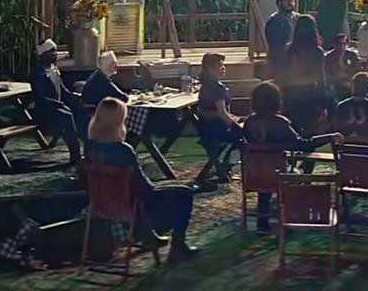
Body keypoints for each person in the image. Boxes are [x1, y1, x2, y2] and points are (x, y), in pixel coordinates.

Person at [85, 98, 199, 262]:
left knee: (151, 193)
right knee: (184, 194)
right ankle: (177, 247)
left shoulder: (89, 147)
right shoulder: (123, 150)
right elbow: (145, 189)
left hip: (99, 205)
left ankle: (150, 237)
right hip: (131, 210)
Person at [241, 81, 342, 231]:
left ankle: (262, 221)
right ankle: (292, 214)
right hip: (278, 173)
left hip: (254, 173)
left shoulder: (249, 122)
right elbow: (303, 144)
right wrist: (329, 137)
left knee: (265, 170)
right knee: (294, 171)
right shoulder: (280, 123)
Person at [29, 39, 82, 167]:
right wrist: (59, 105)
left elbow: (62, 90)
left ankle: (83, 150)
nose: (55, 53)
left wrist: (76, 97)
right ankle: (75, 154)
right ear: (43, 54)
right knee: (66, 116)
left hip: (56, 106)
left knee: (79, 110)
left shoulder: (54, 69)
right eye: (51, 51)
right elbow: (41, 97)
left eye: (56, 51)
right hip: (44, 109)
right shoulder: (38, 73)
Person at [280, 14, 330, 137]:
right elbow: (321, 78)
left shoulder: (290, 50)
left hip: (291, 92)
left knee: (293, 131)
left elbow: (284, 75)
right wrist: (323, 104)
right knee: (309, 132)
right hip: (310, 93)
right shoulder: (317, 51)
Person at [196, 53, 241, 181]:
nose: (223, 68)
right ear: (210, 69)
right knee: (244, 138)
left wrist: (233, 118)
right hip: (217, 129)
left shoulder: (205, 86)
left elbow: (207, 111)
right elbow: (222, 113)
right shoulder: (217, 88)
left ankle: (223, 166)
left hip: (206, 128)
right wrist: (237, 126)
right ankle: (227, 166)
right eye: (220, 66)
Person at [78, 51, 129, 141]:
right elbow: (123, 97)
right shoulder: (102, 80)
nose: (117, 66)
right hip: (96, 114)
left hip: (93, 111)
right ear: (108, 66)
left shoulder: (98, 75)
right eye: (114, 64)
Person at [333, 72, 368, 143]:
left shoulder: (342, 106)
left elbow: (336, 131)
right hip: (367, 146)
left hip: (345, 145)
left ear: (353, 86)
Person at [264, 0, 298, 78]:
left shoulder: (298, 18)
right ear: (280, 3)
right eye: (287, 0)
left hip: (296, 59)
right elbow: (274, 43)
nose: (290, 3)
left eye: (292, 0)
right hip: (280, 60)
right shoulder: (274, 20)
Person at [324, 33, 360, 102]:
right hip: (336, 85)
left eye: (344, 44)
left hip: (350, 83)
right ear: (334, 44)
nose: (342, 46)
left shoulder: (352, 55)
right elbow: (328, 74)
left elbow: (356, 71)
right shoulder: (328, 57)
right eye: (339, 44)